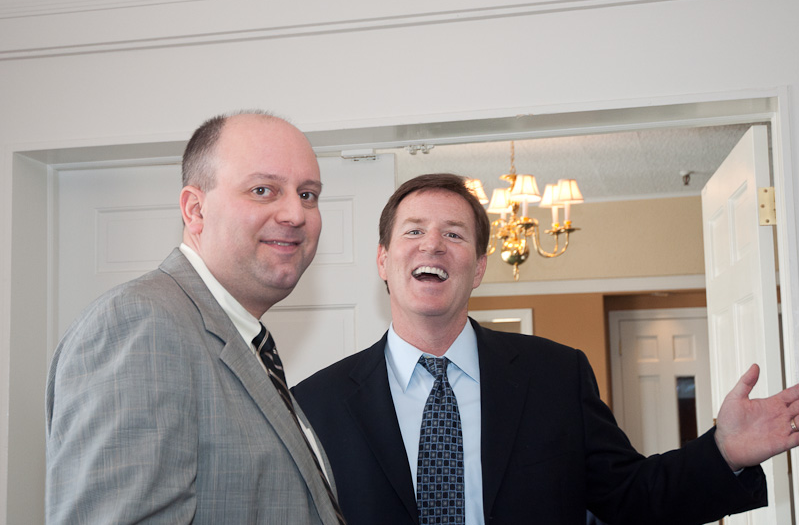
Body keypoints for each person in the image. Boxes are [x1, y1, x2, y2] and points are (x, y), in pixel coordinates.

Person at [293, 172, 799, 525]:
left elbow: (634, 498)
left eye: (454, 234)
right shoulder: (316, 404)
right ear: (383, 260)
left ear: (479, 267)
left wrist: (725, 452)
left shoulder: (556, 375)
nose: (433, 245)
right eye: (414, 231)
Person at [46, 111, 345, 524]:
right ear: (195, 209)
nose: (296, 214)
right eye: (263, 190)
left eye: (308, 194)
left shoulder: (243, 339)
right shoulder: (141, 324)